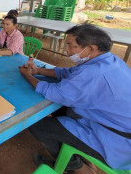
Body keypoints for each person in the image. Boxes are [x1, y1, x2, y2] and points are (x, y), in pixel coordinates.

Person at [18, 24, 131, 173]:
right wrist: (38, 70)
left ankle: (80, 168)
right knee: (63, 111)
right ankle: (80, 159)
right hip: (108, 121)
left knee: (38, 125)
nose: (66, 49)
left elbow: (55, 92)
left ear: (91, 48)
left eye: (71, 45)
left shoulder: (93, 73)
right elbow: (69, 73)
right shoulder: (108, 60)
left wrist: (28, 76)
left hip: (116, 141)